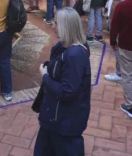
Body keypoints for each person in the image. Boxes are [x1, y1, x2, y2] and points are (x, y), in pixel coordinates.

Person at [34, 8, 91, 156]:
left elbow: (68, 91)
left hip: (64, 123)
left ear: (67, 27)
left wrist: (45, 76)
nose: (53, 26)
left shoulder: (74, 55)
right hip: (55, 119)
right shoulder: (63, 47)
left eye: (57, 23)